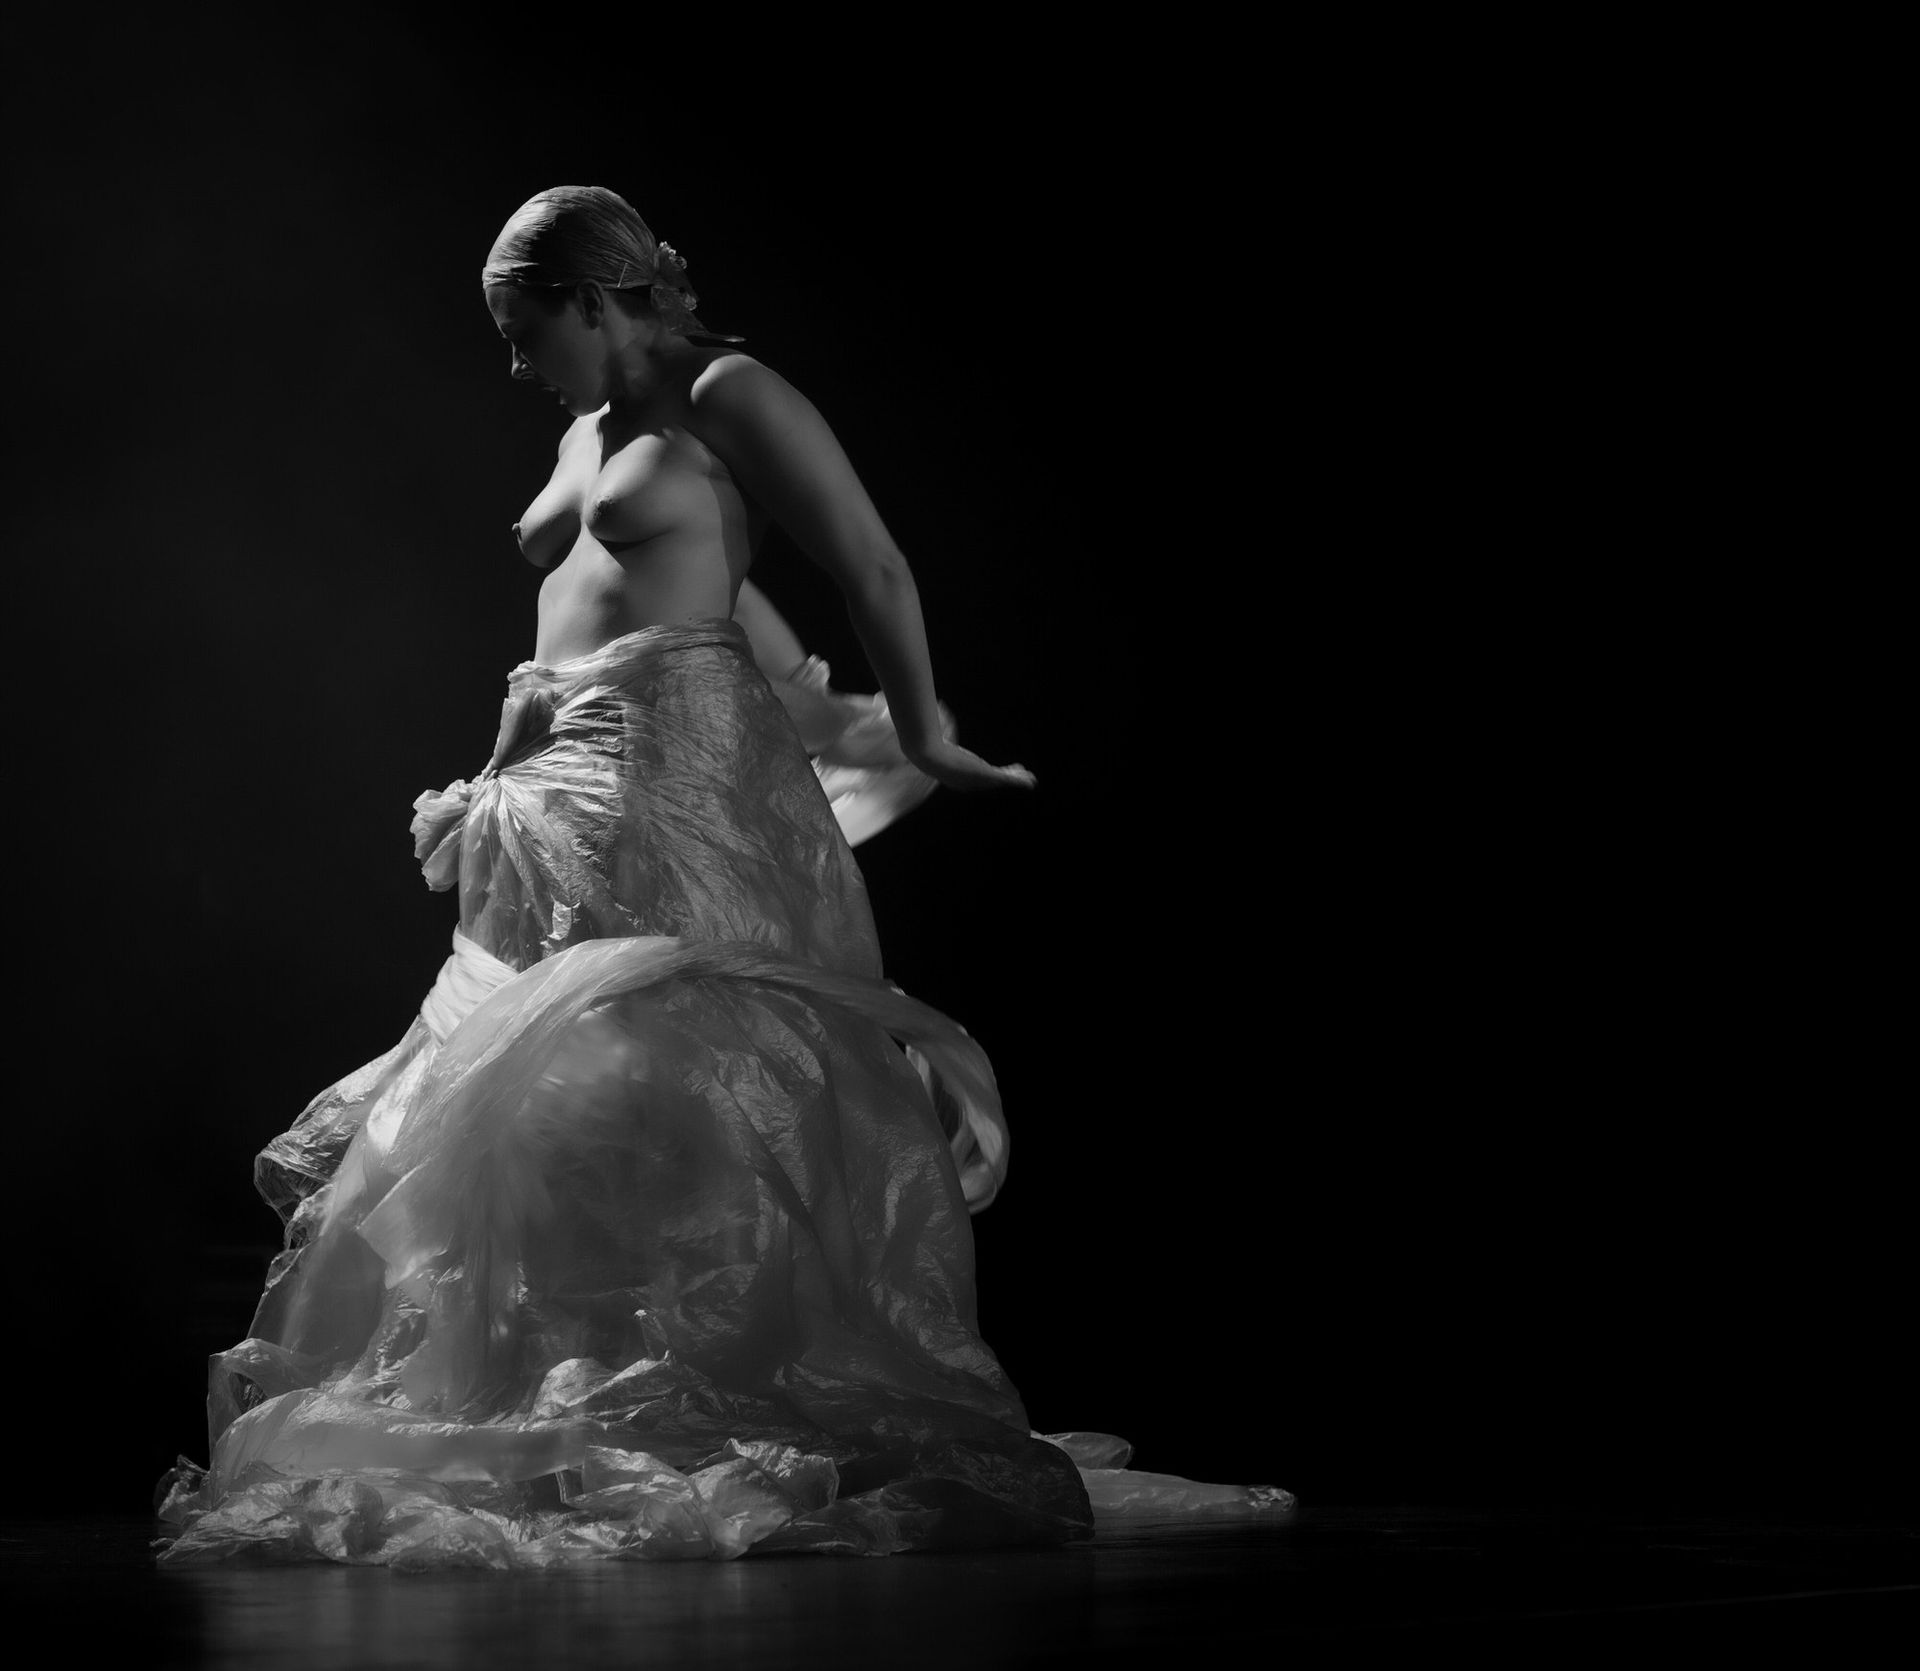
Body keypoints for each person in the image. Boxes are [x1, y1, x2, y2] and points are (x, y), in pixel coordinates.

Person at [155, 187, 1287, 1569]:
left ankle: (704, 1387)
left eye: (528, 334)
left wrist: (917, 729)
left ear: (590, 301)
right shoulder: (589, 432)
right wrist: (773, 692)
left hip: (677, 782)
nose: (518, 368)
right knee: (528, 1101)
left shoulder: (728, 392)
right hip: (552, 790)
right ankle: (567, 1399)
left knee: (672, 1060)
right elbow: (718, 585)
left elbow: (864, 555)